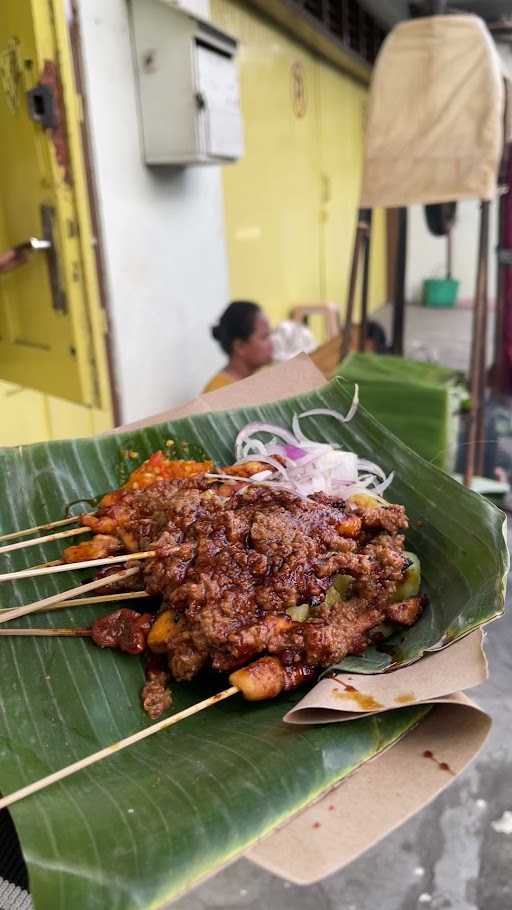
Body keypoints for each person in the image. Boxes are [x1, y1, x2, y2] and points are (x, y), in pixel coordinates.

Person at [203, 300, 273, 393]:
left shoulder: (259, 381)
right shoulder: (219, 392)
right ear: (240, 346)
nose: (272, 343)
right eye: (264, 337)